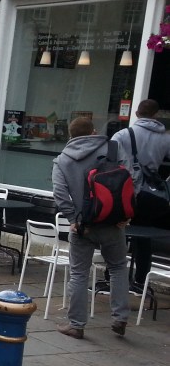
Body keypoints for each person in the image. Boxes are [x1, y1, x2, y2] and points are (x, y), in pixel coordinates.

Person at [51, 115, 130, 339]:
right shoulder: (113, 149)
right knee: (118, 267)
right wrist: (125, 214)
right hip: (114, 223)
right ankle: (120, 317)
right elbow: (130, 178)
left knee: (78, 273)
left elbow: (59, 193)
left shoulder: (63, 159)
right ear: (93, 131)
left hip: (83, 225)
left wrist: (72, 218)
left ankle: (76, 325)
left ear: (70, 135)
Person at [111, 98, 170, 290]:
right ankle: (141, 281)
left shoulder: (123, 134)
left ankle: (112, 278)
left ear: (136, 113)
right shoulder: (166, 137)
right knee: (143, 238)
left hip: (124, 192)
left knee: (118, 234)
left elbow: (108, 160)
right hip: (148, 196)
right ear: (156, 115)